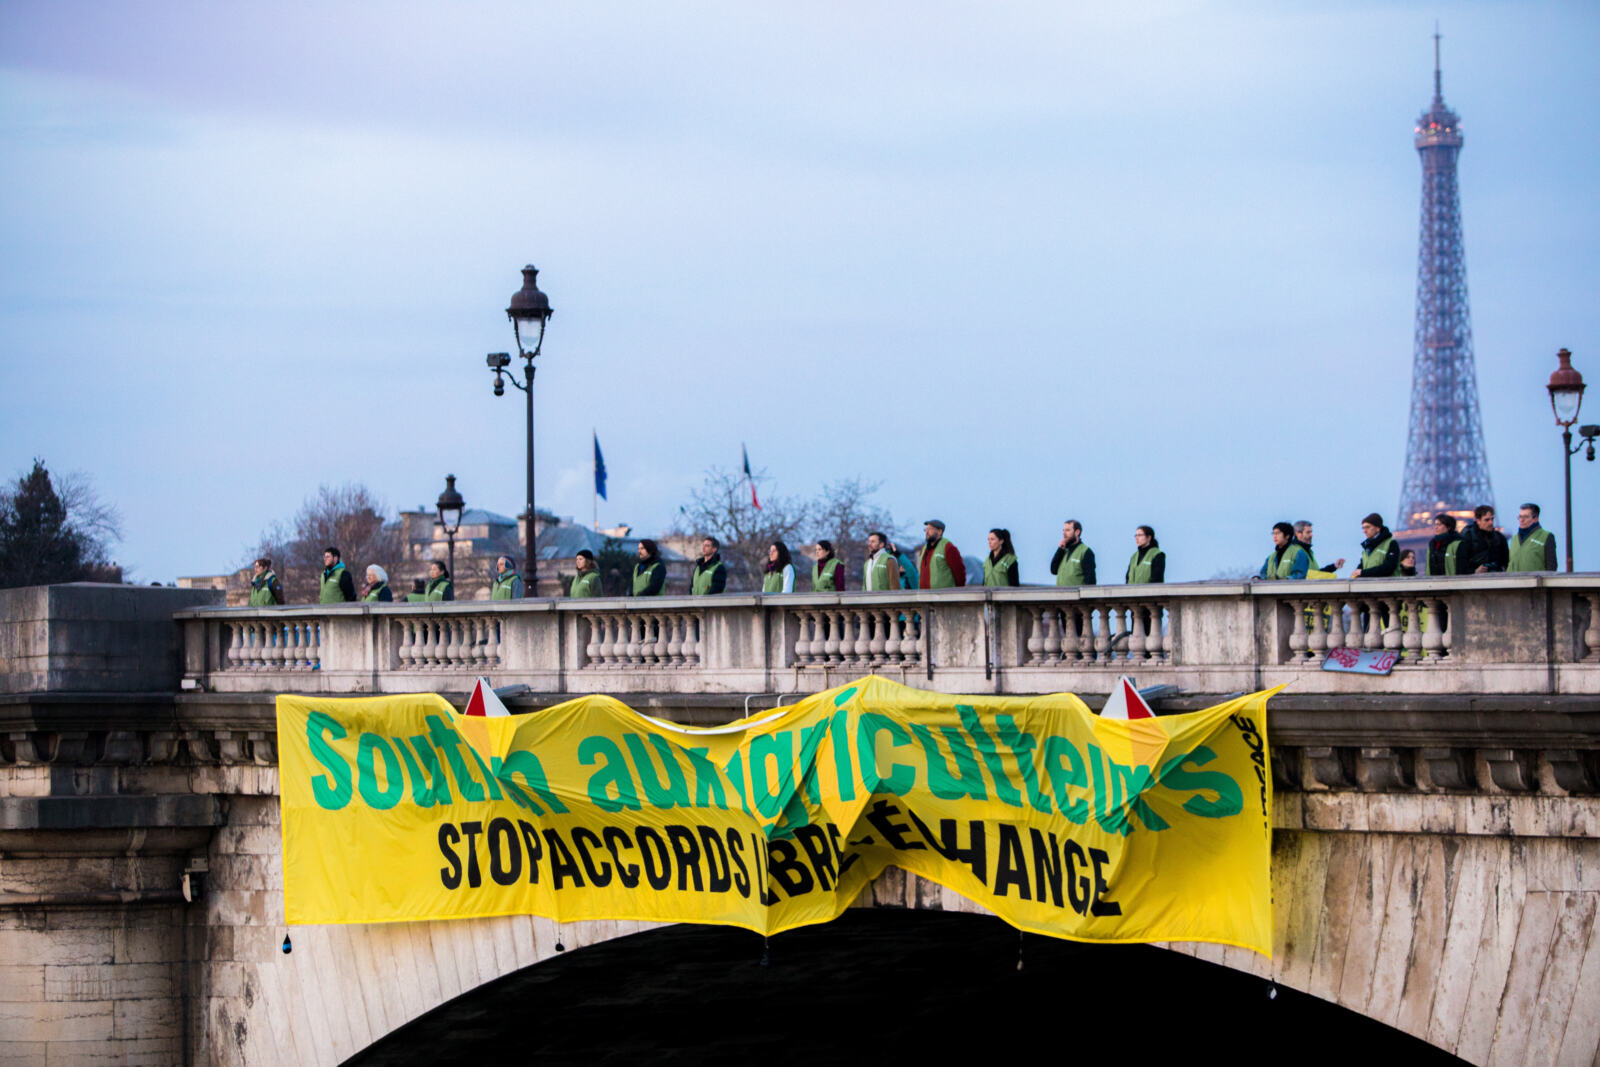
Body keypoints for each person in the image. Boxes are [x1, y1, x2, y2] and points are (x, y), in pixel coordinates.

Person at [916, 520, 966, 589]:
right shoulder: (924, 549)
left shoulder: (948, 548)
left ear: (940, 531)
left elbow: (959, 573)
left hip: (943, 596)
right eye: (926, 529)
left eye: (930, 529)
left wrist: (957, 592)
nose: (926, 532)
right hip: (924, 595)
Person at [1507, 503, 1557, 572]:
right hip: (1513, 581)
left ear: (1535, 519)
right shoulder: (1514, 539)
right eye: (1520, 517)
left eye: (1526, 517)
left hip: (1535, 581)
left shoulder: (1546, 537)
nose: (1521, 520)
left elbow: (1551, 567)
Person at [1460, 505, 1509, 574]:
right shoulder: (1467, 537)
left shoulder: (1499, 537)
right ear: (1478, 521)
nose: (1491, 522)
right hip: (1474, 581)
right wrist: (1474, 571)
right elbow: (1460, 564)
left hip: (1496, 578)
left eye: (1492, 519)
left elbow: (1506, 562)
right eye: (1487, 520)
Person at [1351, 513, 1399, 578]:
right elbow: (1362, 567)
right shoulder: (1367, 547)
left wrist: (1362, 573)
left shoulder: (1391, 544)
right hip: (1369, 586)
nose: (1364, 531)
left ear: (1378, 528)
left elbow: (1388, 568)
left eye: (1367, 527)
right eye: (1363, 528)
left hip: (1386, 586)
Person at [1049, 520, 1096, 587]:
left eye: (1067, 530)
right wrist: (1059, 550)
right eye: (1063, 530)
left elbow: (1091, 582)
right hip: (1060, 596)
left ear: (1077, 532)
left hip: (1076, 596)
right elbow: (1053, 570)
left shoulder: (1086, 552)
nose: (1064, 533)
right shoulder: (1063, 551)